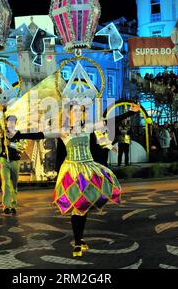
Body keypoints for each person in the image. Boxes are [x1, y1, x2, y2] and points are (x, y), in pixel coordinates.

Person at [47, 102, 122, 258]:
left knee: (84, 205)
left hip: (88, 169)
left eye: (80, 111)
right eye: (74, 111)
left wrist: (132, 112)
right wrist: (17, 134)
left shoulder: (88, 128)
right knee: (77, 207)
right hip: (73, 172)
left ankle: (79, 240)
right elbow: (39, 135)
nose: (78, 113)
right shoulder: (63, 132)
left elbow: (112, 121)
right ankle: (77, 243)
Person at [0, 105, 45, 215]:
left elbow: (22, 147)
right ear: (6, 122)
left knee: (13, 184)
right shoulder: (2, 132)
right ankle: (6, 206)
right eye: (9, 121)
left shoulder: (19, 134)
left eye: (13, 121)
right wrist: (0, 111)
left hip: (15, 161)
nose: (11, 123)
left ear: (15, 123)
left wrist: (11, 144)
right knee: (6, 184)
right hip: (5, 161)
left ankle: (13, 204)